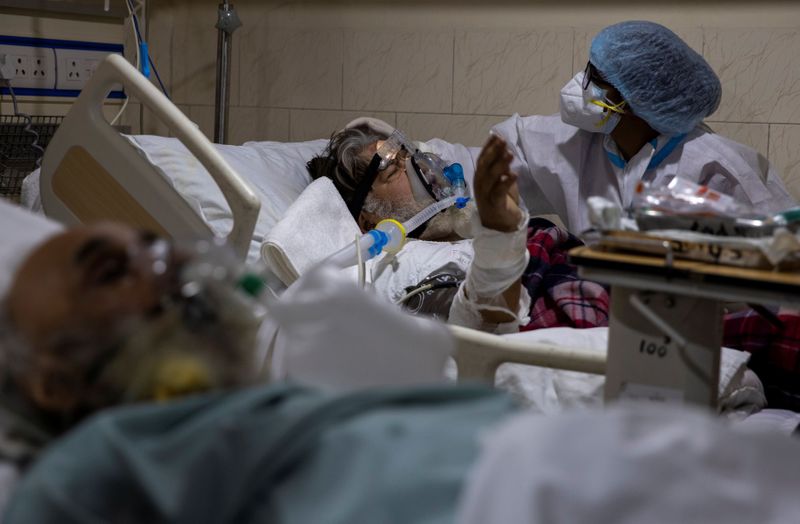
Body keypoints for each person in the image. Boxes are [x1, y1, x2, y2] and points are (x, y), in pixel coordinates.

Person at [306, 119, 609, 335]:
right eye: (394, 171)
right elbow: (484, 327)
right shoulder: (399, 266)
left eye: (408, 156)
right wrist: (501, 240)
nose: (420, 166)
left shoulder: (472, 238)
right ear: (369, 219)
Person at [493, 20, 796, 233]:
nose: (580, 86)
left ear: (633, 101)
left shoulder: (719, 170)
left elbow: (784, 267)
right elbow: (505, 152)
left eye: (595, 80)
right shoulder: (586, 142)